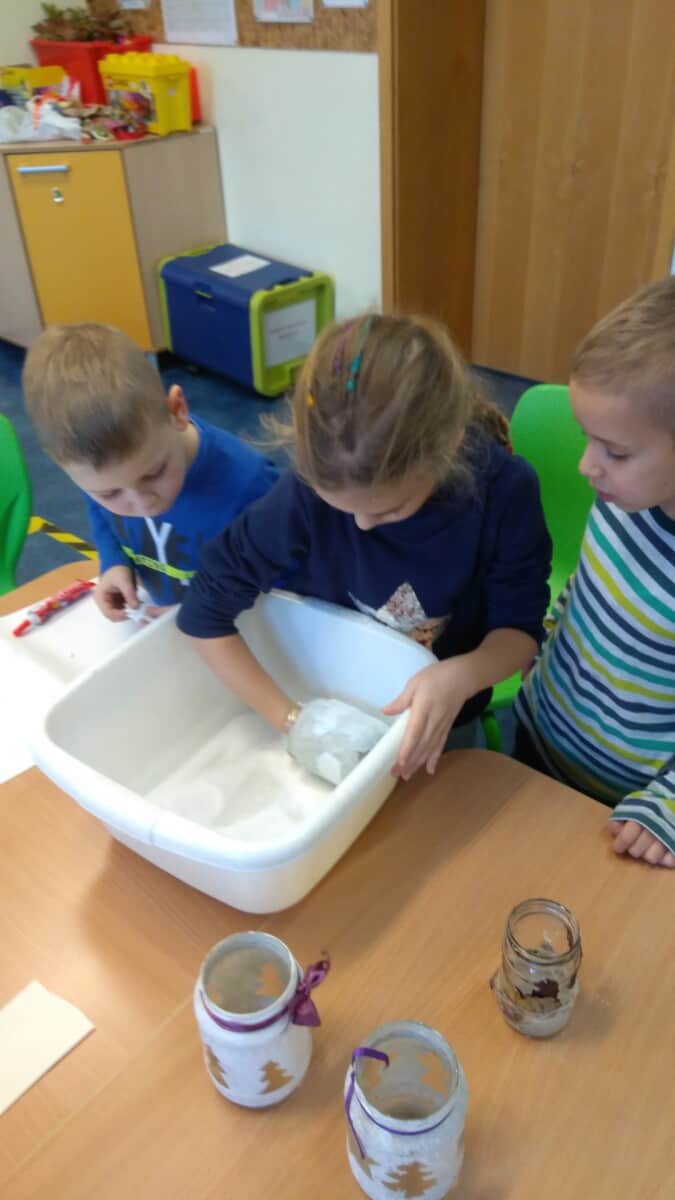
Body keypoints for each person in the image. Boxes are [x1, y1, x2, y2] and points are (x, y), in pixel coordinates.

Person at [177, 313, 551, 781]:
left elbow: (519, 631)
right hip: (328, 689)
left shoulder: (505, 493)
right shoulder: (305, 493)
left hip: (440, 717)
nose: (361, 525)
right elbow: (203, 612)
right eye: (339, 505)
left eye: (390, 510)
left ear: (448, 446)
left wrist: (463, 675)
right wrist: (293, 722)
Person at [514, 278, 675, 868]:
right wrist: (542, 640)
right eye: (587, 440)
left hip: (627, 808)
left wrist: (669, 807)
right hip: (539, 735)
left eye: (615, 451)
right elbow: (587, 589)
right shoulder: (623, 497)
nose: (587, 466)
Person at [22, 323, 278, 620]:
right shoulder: (100, 477)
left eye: (154, 473)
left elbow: (288, 591)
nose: (144, 505)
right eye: (110, 494)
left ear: (177, 410)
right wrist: (114, 563)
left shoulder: (252, 485)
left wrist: (207, 615)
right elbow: (99, 512)